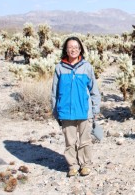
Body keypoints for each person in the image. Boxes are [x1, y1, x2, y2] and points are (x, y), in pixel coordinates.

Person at [51, 36, 101, 177]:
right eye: (70, 47)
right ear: (65, 50)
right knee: (70, 142)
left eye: (76, 47)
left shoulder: (87, 67)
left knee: (85, 141)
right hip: (66, 111)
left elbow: (94, 90)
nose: (73, 50)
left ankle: (85, 165)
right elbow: (54, 92)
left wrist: (96, 108)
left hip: (84, 111)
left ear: (80, 50)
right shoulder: (59, 68)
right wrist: (56, 111)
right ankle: (72, 165)